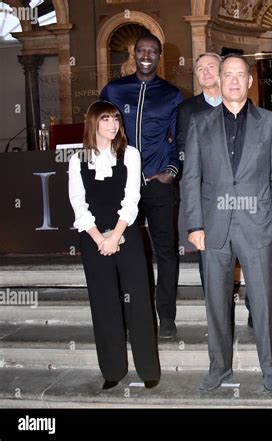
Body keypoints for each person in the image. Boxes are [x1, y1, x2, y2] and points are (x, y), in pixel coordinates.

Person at [181, 54, 272, 392]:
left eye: (241, 75)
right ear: (217, 80)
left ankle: (271, 368)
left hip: (257, 226)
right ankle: (219, 367)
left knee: (264, 302)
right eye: (228, 75)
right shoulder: (199, 123)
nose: (234, 81)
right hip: (213, 227)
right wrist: (194, 225)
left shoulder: (271, 122)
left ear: (250, 81)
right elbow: (191, 178)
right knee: (215, 302)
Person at [68, 100, 161, 390]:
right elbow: (78, 205)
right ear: (93, 123)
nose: (112, 125)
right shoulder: (77, 159)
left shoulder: (130, 154)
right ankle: (113, 369)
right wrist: (100, 239)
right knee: (104, 304)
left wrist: (115, 236)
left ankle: (148, 369)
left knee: (139, 304)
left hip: (127, 235)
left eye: (116, 119)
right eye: (105, 119)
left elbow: (131, 200)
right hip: (94, 240)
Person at [100, 34, 184, 339]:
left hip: (157, 184)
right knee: (124, 249)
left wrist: (172, 171)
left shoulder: (172, 94)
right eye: (141, 50)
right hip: (122, 186)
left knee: (166, 252)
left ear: (160, 56)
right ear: (133, 54)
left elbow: (180, 139)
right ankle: (132, 312)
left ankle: (167, 317)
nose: (146, 54)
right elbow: (99, 130)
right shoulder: (114, 89)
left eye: (153, 51)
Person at [176, 52, 222, 291]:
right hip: (205, 193)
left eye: (211, 67)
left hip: (240, 193)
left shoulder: (238, 101)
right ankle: (213, 313)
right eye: (200, 69)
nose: (205, 72)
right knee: (208, 253)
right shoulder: (187, 109)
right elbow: (183, 149)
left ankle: (253, 312)